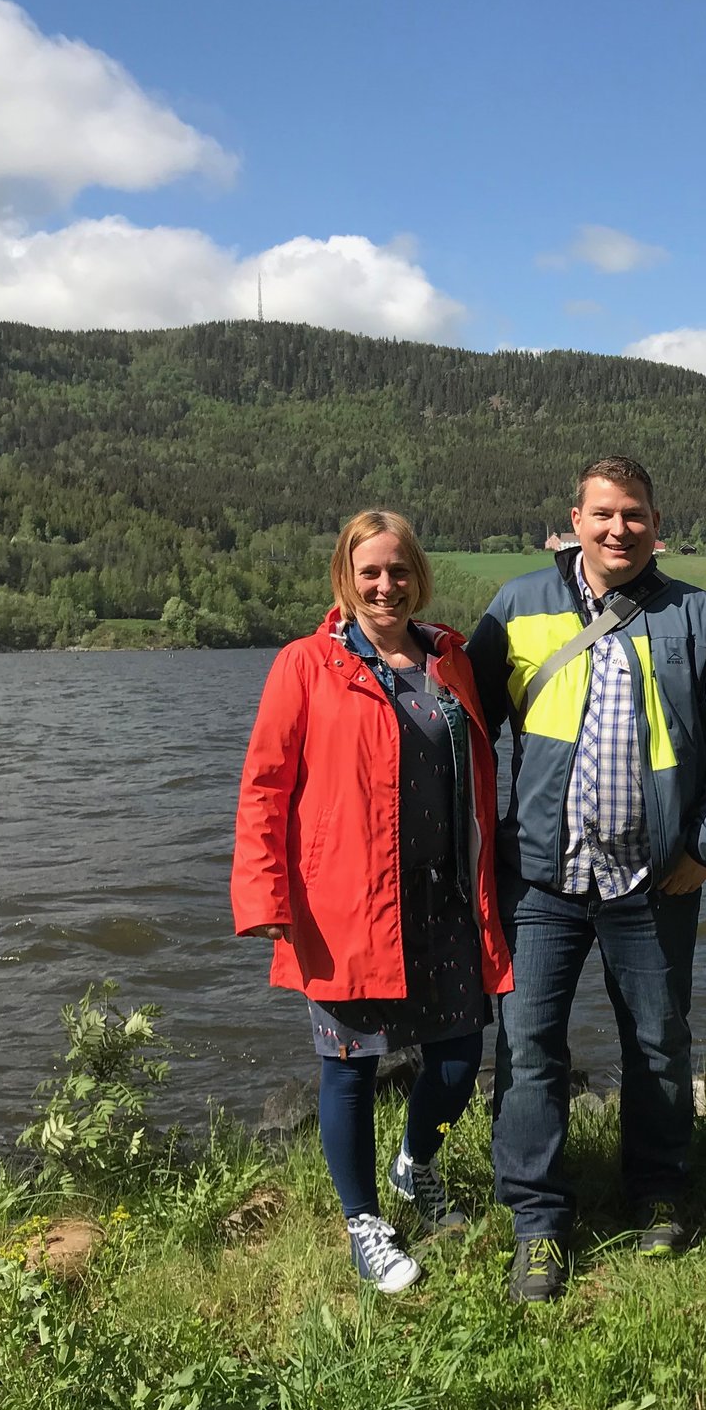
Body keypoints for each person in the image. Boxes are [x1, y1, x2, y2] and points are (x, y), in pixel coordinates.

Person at [467, 455, 706, 1303]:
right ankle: (538, 1223)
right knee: (528, 1047)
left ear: (654, 522)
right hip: (540, 881)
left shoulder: (700, 616)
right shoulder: (518, 606)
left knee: (661, 1043)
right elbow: (461, 729)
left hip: (655, 878)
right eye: (603, 514)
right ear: (575, 520)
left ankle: (660, 1189)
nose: (618, 529)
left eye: (633, 514)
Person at [232, 510, 512, 1294]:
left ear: (417, 574)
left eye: (397, 571)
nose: (385, 585)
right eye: (370, 572)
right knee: (350, 1068)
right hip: (345, 903)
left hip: (448, 898)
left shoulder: (449, 658)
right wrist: (264, 892)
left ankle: (416, 1160)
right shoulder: (305, 664)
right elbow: (265, 786)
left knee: (458, 1061)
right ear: (346, 577)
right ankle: (363, 1222)